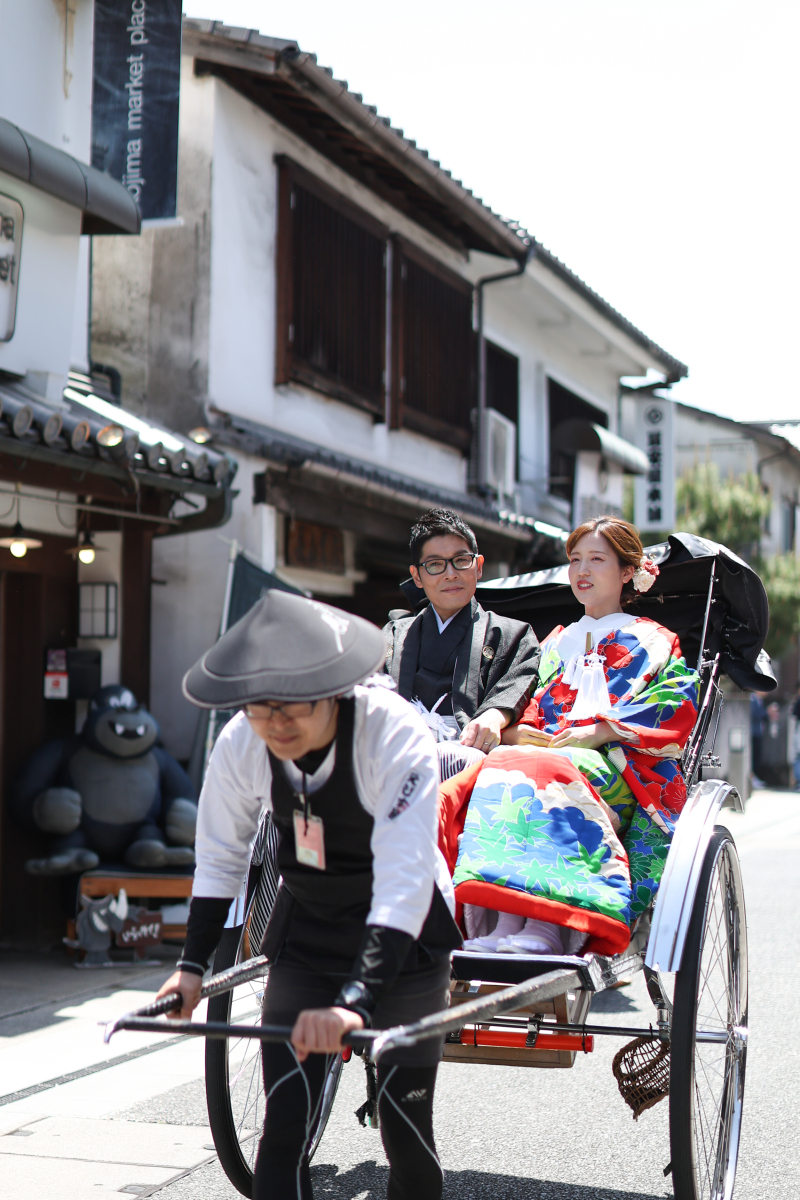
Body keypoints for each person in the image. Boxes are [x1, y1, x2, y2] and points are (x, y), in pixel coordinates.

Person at [155, 590, 461, 1200]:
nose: (277, 723)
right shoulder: (243, 741)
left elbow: (403, 882)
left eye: (292, 705)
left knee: (403, 1123)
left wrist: (356, 1002)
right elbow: (221, 857)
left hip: (407, 941)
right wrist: (190, 967)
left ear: (335, 686)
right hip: (310, 931)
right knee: (285, 1124)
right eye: (259, 708)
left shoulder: (392, 732)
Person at [441, 516, 700, 955]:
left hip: (622, 769)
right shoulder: (555, 642)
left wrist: (600, 732)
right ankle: (506, 917)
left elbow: (676, 704)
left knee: (547, 769)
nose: (582, 569)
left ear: (625, 572)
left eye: (597, 559)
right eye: (575, 559)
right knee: (500, 765)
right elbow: (522, 699)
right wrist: (517, 730)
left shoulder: (655, 640)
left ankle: (548, 929)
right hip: (547, 757)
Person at [383, 508, 540, 776]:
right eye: (434, 565)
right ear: (417, 576)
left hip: (472, 766)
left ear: (478, 567)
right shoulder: (393, 635)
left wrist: (494, 717)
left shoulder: (513, 634)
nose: (450, 574)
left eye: (460, 561)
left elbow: (516, 686)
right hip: (397, 761)